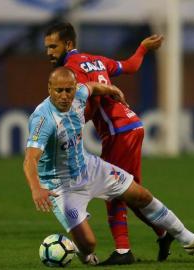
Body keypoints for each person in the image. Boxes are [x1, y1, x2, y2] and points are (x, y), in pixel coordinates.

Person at [23, 67, 194, 265]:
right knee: (88, 244)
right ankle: (84, 255)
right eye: (59, 90)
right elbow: (30, 159)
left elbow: (91, 87)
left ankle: (189, 239)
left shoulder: (79, 95)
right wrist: (36, 189)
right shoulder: (43, 119)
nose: (65, 96)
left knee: (141, 196)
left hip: (90, 168)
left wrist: (111, 89)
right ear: (49, 88)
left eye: (69, 90)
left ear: (75, 88)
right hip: (61, 188)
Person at [44, 22, 168, 264]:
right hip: (133, 126)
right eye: (46, 47)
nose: (48, 52)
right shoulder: (98, 60)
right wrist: (142, 49)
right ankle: (163, 233)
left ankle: (124, 250)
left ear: (68, 44)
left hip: (118, 131)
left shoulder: (70, 70)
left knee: (116, 190)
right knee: (134, 193)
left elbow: (87, 106)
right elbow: (131, 66)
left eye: (52, 46)